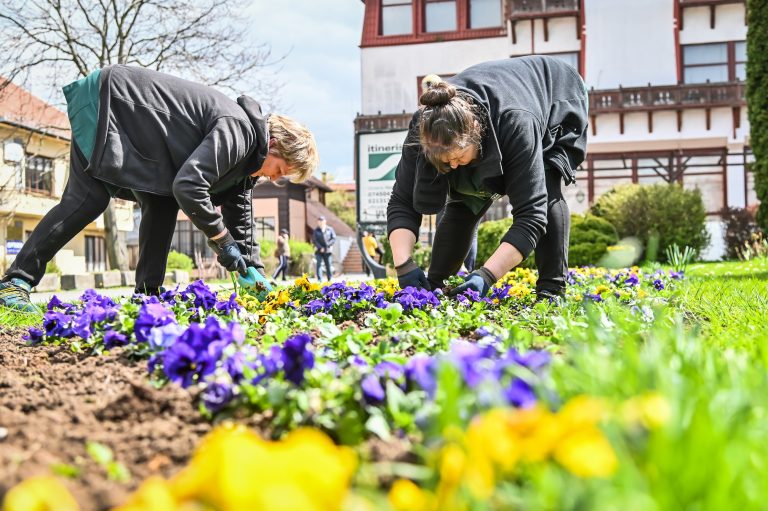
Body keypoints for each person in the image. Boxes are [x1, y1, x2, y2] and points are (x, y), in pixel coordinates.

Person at [0, 65, 318, 312]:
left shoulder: (247, 166)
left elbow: (241, 220)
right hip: (111, 102)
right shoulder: (238, 131)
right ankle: (15, 283)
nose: (276, 179)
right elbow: (190, 186)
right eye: (281, 171)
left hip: (139, 130)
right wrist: (222, 241)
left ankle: (147, 296)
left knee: (162, 204)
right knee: (88, 200)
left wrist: (255, 274)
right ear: (274, 145)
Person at [387, 56, 588, 300]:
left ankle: (551, 289)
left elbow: (532, 216)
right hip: (499, 106)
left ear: (475, 130)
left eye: (458, 155)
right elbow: (402, 201)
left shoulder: (516, 122)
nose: (452, 164)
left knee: (546, 186)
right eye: (444, 160)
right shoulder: (424, 128)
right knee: (464, 199)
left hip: (556, 93)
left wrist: (487, 275)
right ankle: (436, 284)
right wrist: (404, 266)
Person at [312, 216, 336, 281]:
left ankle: (329, 279)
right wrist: (320, 248)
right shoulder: (316, 230)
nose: (321, 223)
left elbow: (333, 238)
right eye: (319, 221)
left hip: (328, 250)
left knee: (328, 265)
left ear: (325, 222)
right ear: (318, 222)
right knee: (318, 264)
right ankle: (319, 279)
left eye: (322, 221)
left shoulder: (330, 229)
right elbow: (314, 240)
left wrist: (328, 246)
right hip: (319, 251)